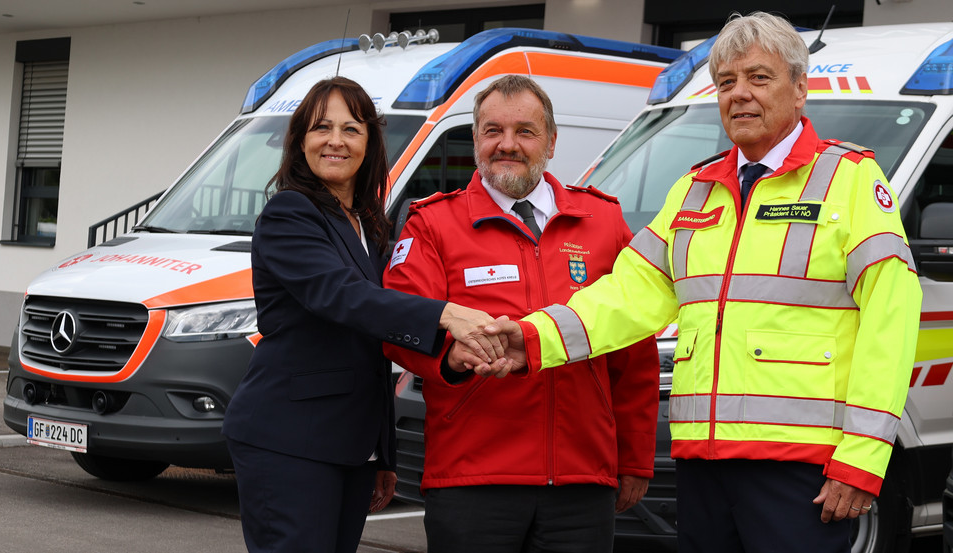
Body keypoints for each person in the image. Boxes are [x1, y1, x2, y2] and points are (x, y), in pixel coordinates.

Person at [484, 12, 923, 553]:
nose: (739, 95)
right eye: (726, 82)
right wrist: (530, 338)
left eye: (758, 78)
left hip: (802, 469)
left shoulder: (850, 181)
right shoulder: (693, 191)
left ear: (801, 88)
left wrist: (863, 455)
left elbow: (892, 318)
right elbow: (625, 296)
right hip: (702, 463)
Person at [221, 76, 503, 553]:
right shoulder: (289, 214)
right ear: (300, 141)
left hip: (349, 445)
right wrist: (447, 314)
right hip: (289, 440)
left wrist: (381, 453)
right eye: (321, 128)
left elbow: (373, 348)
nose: (335, 141)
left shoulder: (368, 223)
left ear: (370, 142)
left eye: (351, 129)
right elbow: (342, 296)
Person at [382, 75, 660, 553]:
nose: (506, 145)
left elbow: (634, 349)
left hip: (580, 479)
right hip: (473, 476)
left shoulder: (602, 221)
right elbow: (399, 324)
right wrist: (451, 357)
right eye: (492, 131)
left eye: (525, 132)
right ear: (475, 141)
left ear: (551, 142)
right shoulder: (433, 223)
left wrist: (634, 457)